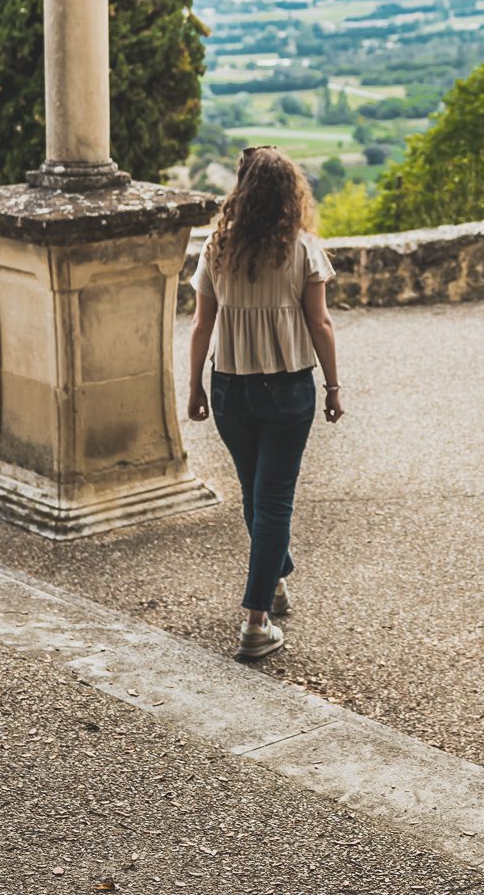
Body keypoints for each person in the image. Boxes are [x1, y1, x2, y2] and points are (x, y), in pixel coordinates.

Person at [187, 145, 344, 662]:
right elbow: (320, 324)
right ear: (289, 193)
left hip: (230, 388)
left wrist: (194, 387)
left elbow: (200, 325)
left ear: (243, 191)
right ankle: (256, 622)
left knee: (257, 495)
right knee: (272, 500)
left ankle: (274, 580)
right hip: (287, 389)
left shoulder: (216, 247)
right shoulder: (302, 248)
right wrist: (334, 387)